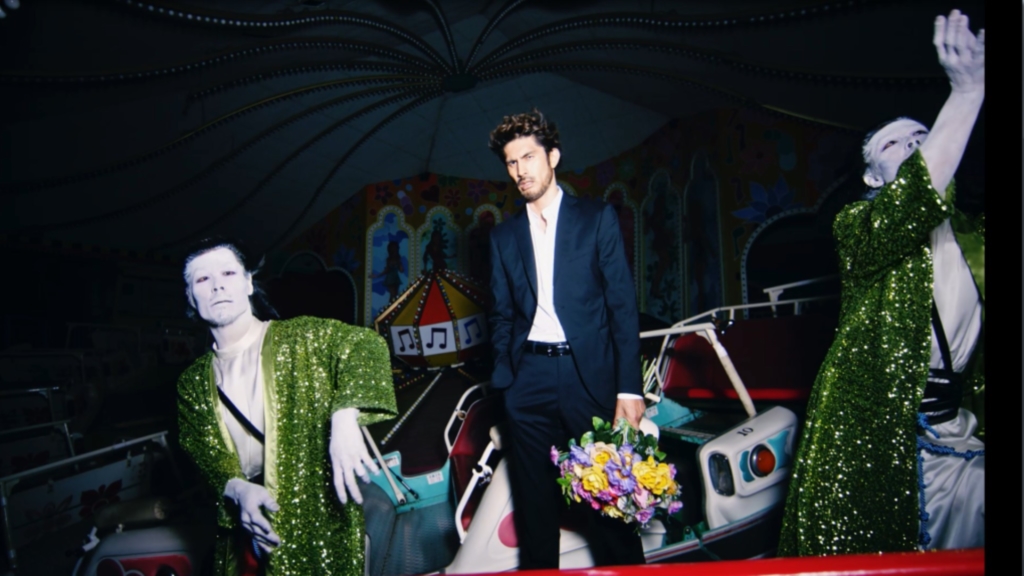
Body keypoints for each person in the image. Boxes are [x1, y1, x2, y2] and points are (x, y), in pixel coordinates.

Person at [779, 9, 984, 555]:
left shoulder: (975, 234)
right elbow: (913, 199)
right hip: (877, 440)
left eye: (922, 135)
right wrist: (967, 95)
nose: (915, 145)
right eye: (895, 145)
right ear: (872, 176)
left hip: (958, 431)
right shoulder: (858, 226)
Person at [176, 237, 398, 575]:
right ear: (191, 297)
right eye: (202, 279)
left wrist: (345, 415)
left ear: (249, 283)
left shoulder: (301, 337)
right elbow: (206, 454)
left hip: (319, 520)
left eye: (228, 273)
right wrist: (238, 488)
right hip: (245, 532)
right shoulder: (191, 382)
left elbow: (366, 345)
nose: (217, 285)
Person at [486, 109, 647, 569]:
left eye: (529, 157)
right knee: (535, 510)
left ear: (553, 157)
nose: (520, 170)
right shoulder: (503, 237)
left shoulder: (596, 219)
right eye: (511, 162)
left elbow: (621, 308)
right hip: (528, 381)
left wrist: (629, 387)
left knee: (609, 501)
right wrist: (507, 383)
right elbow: (501, 315)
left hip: (588, 378)